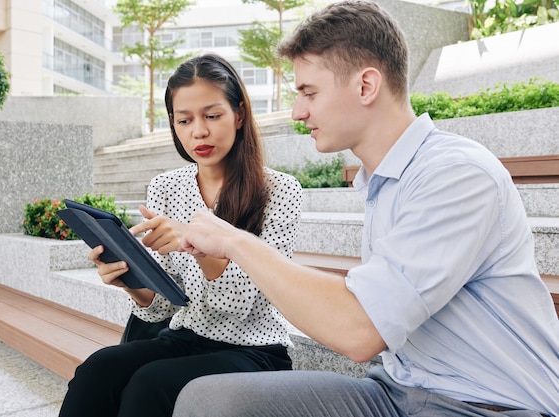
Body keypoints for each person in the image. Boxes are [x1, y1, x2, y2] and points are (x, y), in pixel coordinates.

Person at [172, 2, 559, 416]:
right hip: (395, 393)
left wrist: (235, 241)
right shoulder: (381, 180)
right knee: (207, 400)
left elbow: (359, 330)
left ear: (365, 86)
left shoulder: (456, 175)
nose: (298, 111)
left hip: (486, 405)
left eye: (309, 93)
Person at [57, 53, 303, 417]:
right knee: (98, 369)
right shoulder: (166, 187)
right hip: (184, 336)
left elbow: (240, 306)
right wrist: (129, 281)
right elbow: (165, 305)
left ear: (239, 114)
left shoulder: (280, 191)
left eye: (212, 115)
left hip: (253, 348)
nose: (198, 132)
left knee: (151, 384)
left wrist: (197, 244)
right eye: (184, 120)